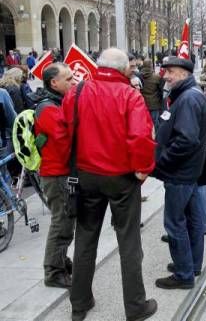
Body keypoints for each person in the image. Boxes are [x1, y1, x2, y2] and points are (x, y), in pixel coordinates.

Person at [62, 48, 157, 321]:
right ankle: (135, 306)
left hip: (86, 174)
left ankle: (79, 304)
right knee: (128, 241)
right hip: (121, 177)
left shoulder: (77, 92)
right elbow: (140, 137)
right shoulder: (130, 95)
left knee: (85, 238)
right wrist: (142, 170)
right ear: (124, 69)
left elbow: (67, 127)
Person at [153, 54, 206, 289]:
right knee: (194, 219)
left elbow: (186, 140)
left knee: (175, 223)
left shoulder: (188, 98)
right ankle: (192, 265)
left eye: (170, 72)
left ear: (184, 74)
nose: (165, 76)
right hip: (191, 170)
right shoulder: (190, 95)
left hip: (181, 172)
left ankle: (183, 274)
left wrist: (163, 162)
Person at [34, 63, 76, 288]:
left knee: (65, 222)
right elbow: (64, 141)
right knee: (62, 223)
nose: (73, 81)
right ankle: (53, 271)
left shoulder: (57, 103)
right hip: (56, 174)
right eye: (68, 79)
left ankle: (60, 260)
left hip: (59, 172)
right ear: (54, 83)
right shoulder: (48, 108)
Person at [139, 59, 163, 129]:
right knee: (155, 123)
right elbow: (161, 91)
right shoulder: (157, 77)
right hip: (154, 104)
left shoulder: (139, 76)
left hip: (143, 103)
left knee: (144, 123)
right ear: (151, 66)